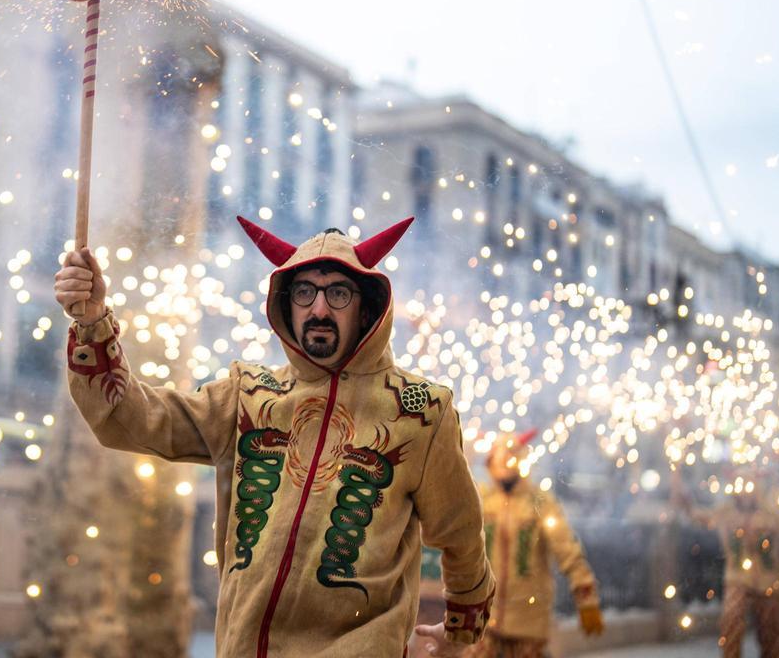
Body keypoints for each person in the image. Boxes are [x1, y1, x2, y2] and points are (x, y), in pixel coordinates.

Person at [54, 216, 495, 658]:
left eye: (338, 293)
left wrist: (460, 637)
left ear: (367, 306)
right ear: (287, 303)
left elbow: (461, 535)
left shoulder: (421, 411)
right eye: (305, 292)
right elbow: (133, 418)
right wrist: (93, 324)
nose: (319, 309)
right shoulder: (248, 395)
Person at [470, 431, 603, 658]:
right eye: (497, 460)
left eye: (509, 459)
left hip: (528, 622)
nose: (503, 466)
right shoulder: (481, 499)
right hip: (483, 619)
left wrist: (585, 595)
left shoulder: (540, 502)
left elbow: (567, 550)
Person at [673, 469, 779, 658]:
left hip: (771, 582)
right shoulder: (726, 512)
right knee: (732, 619)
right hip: (738, 578)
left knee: (774, 634)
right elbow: (701, 517)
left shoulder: (772, 512)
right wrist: (684, 501)